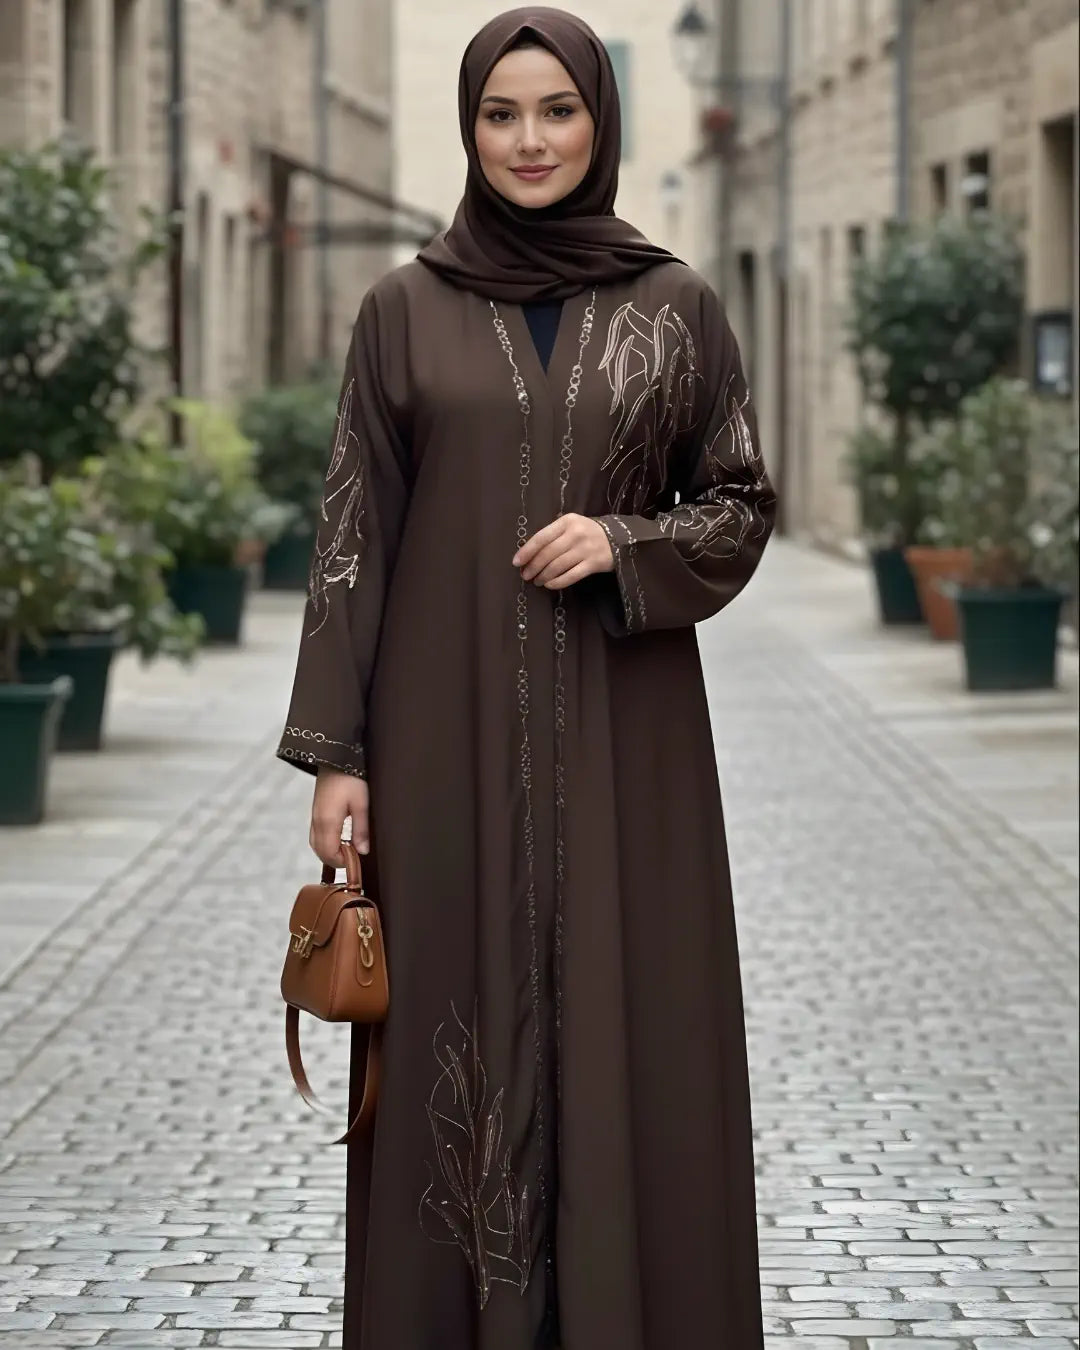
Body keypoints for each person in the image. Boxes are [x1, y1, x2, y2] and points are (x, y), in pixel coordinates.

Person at [277, 7, 775, 1347]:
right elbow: (352, 536)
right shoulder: (403, 310)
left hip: (630, 736)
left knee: (638, 1014)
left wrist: (625, 541)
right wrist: (337, 754)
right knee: (453, 1016)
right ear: (470, 129)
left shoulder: (677, 305)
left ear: (599, 122)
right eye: (501, 114)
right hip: (438, 739)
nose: (530, 139)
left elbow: (739, 505)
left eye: (558, 110)